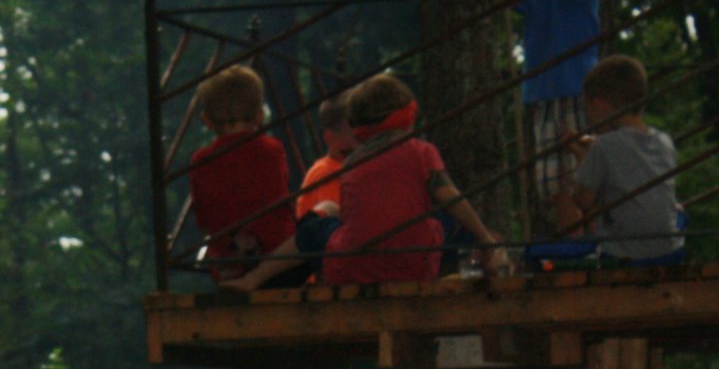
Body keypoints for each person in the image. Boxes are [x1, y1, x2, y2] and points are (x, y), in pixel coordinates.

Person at [220, 73, 502, 291]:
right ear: (408, 116)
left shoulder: (352, 162)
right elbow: (448, 194)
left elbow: (356, 220)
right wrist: (485, 238)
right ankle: (493, 266)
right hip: (412, 265)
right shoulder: (420, 151)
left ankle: (254, 279)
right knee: (455, 224)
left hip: (355, 269)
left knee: (312, 230)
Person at [495, 0, 601, 232]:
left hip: (577, 85)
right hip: (542, 90)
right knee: (555, 182)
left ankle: (597, 244)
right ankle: (576, 244)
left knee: (583, 173)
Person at [189, 64, 304, 285]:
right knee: (323, 218)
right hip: (277, 259)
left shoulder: (200, 161)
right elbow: (281, 202)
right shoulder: (272, 150)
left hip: (228, 264)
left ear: (207, 120)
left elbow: (203, 218)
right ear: (260, 115)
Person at [569, 55, 685, 264]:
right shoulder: (665, 142)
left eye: (588, 109)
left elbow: (582, 200)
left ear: (599, 105)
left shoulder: (604, 145)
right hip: (670, 251)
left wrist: (581, 157)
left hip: (625, 255)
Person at [294, 91, 358, 220]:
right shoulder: (327, 173)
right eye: (353, 132)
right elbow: (338, 222)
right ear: (330, 137)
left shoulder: (342, 166)